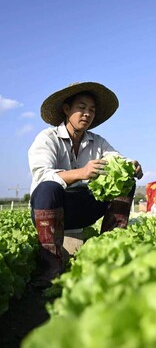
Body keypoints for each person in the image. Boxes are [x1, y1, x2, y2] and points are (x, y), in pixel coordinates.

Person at [28, 82, 143, 286]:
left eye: (91, 110)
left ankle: (110, 251)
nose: (87, 114)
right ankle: (51, 266)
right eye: (81, 108)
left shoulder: (97, 141)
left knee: (125, 181)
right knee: (48, 186)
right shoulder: (47, 139)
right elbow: (43, 174)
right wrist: (82, 173)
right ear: (66, 109)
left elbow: (116, 158)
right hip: (51, 209)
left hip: (84, 209)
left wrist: (130, 166)